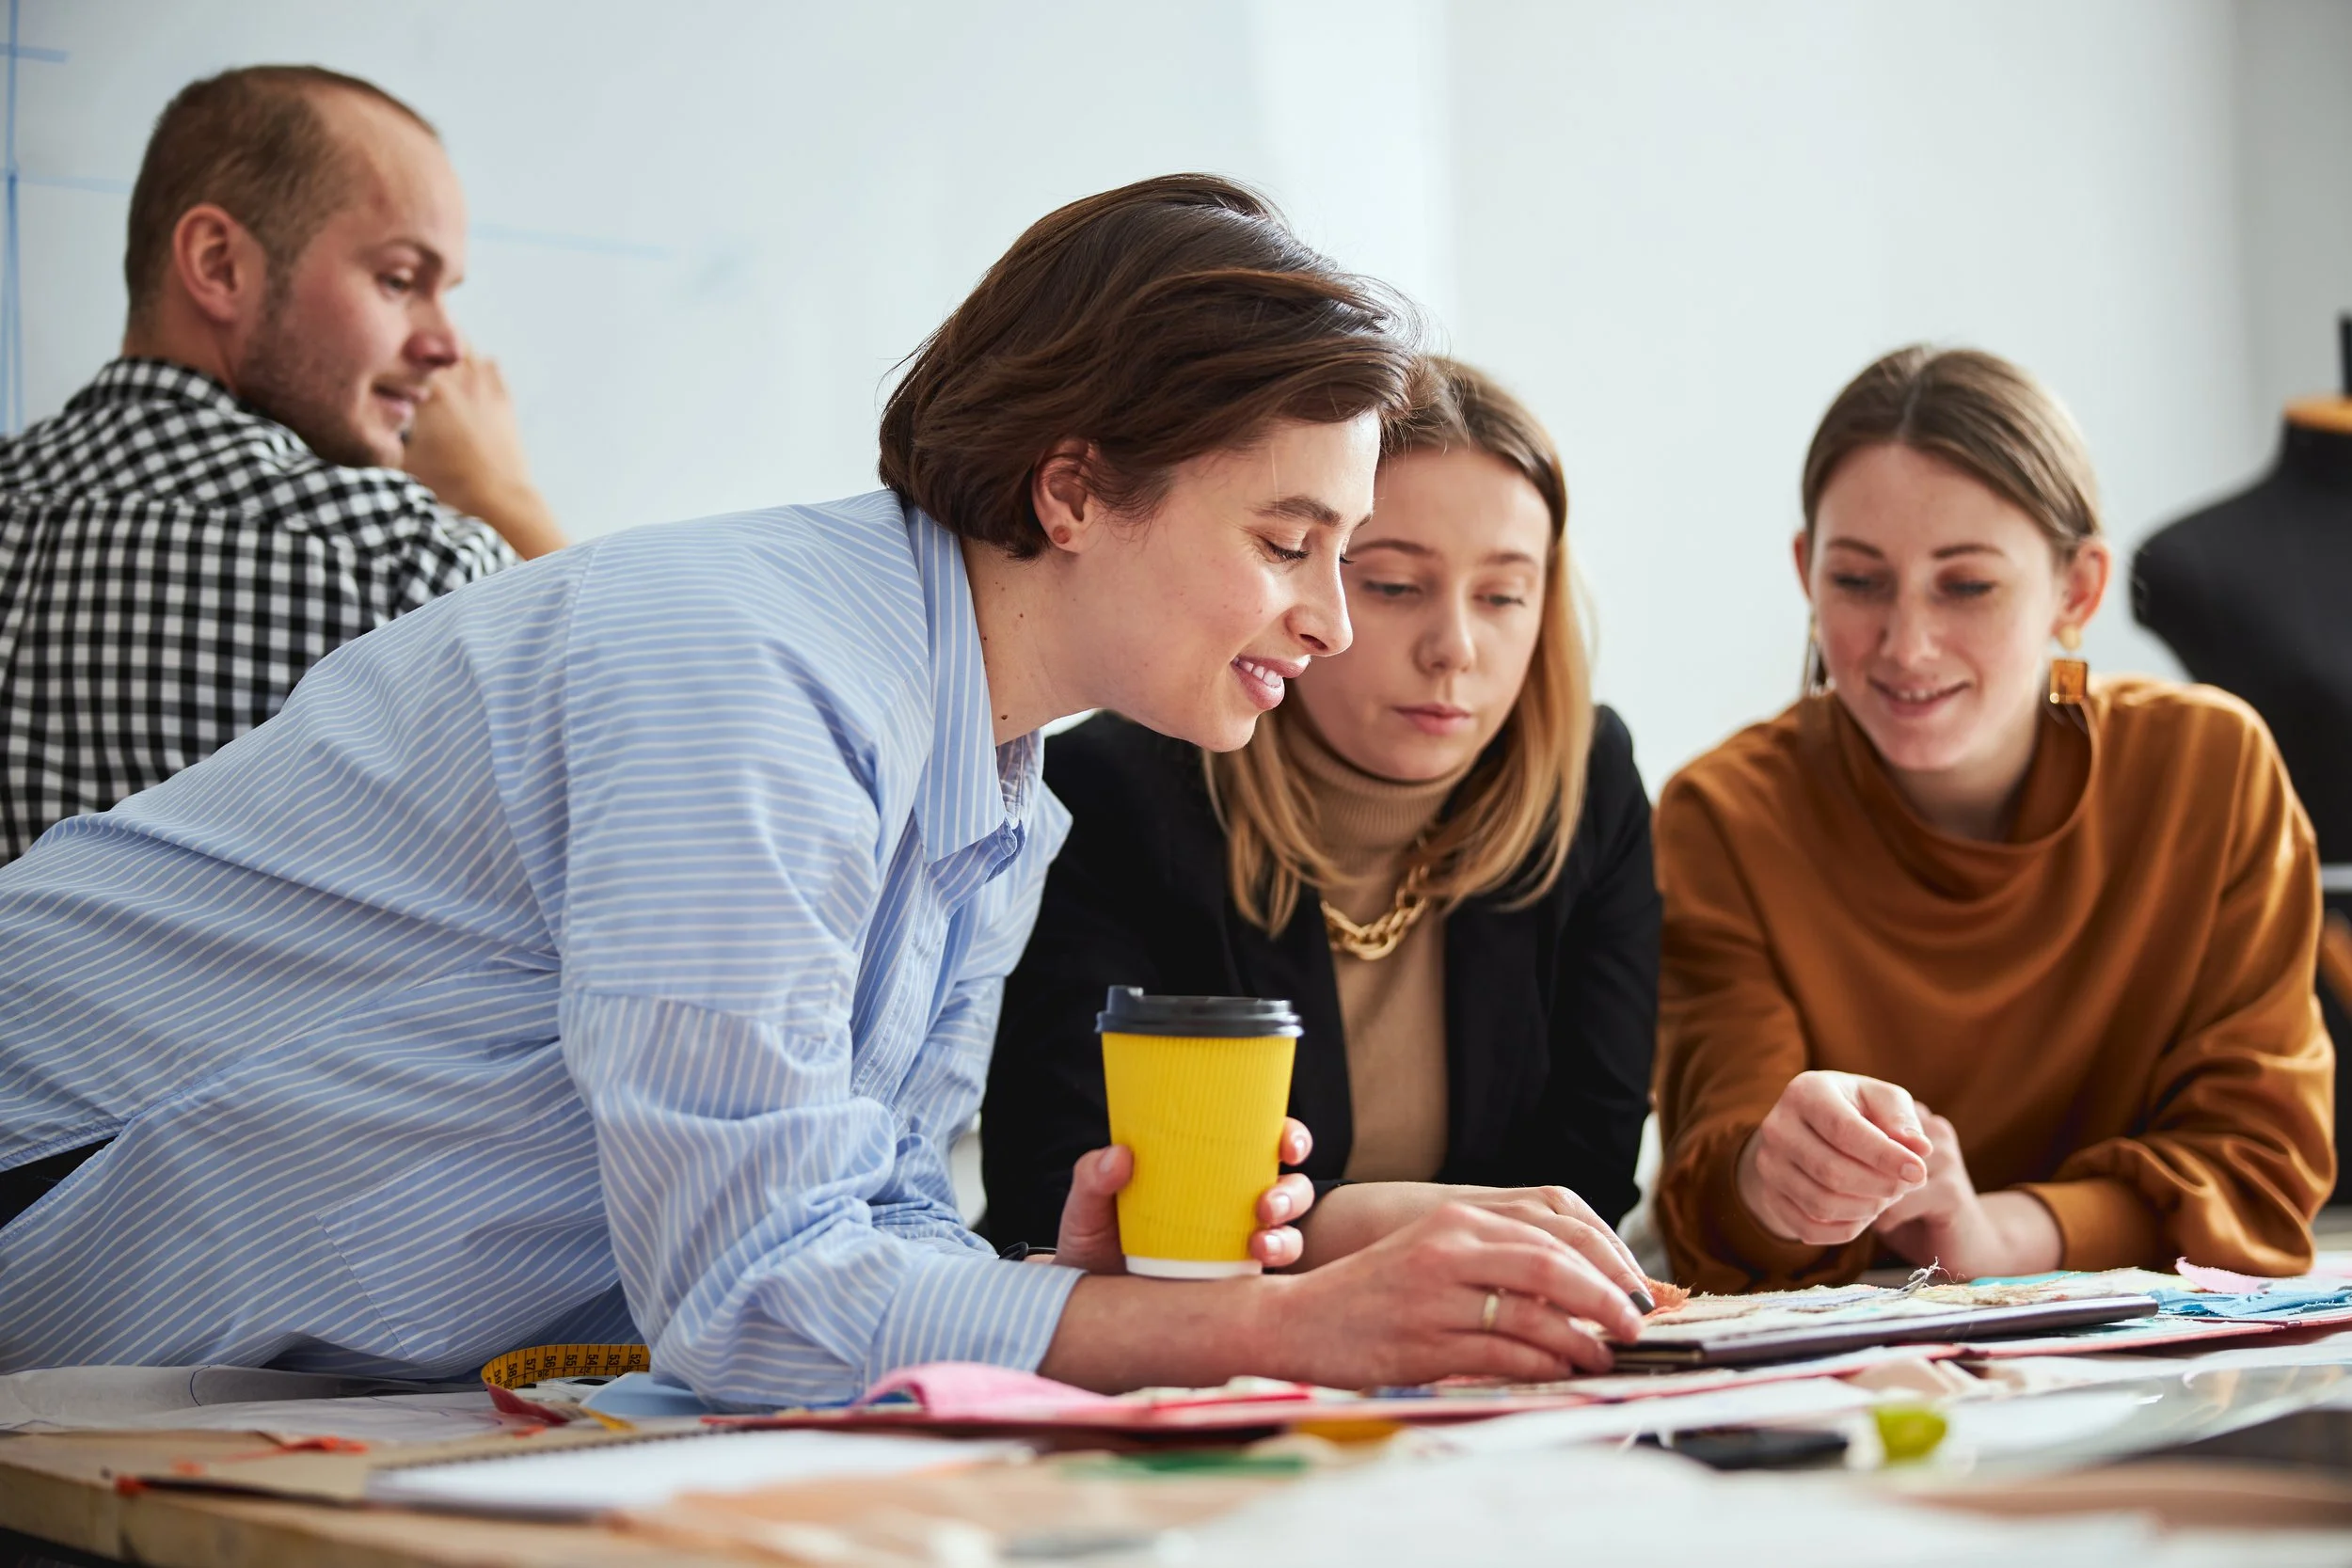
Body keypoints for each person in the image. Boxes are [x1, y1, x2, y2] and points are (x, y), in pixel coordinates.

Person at [0, 177, 1652, 1406]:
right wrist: (1268, 1328)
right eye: (1292, 543)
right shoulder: (751, 670)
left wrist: (1062, 1288)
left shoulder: (1003, 782)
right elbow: (749, 1291)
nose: (1333, 618)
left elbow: (834, 1234)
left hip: (222, 1381)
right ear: (1075, 487)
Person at [1653, 344, 2334, 1293]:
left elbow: (2261, 1169)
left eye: (1965, 585)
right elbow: (1708, 1205)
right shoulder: (1720, 816)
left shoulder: (2210, 771)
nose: (1906, 644)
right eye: (1858, 580)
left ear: (2077, 589)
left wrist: (2001, 1231)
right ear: (1807, 572)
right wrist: (1771, 1182)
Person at [983, 357, 1659, 1276]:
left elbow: (1585, 1183)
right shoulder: (1113, 791)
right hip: (1179, 1363)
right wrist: (1367, 1227)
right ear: (1308, 588)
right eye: (1391, 585)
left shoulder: (1589, 783)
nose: (1453, 648)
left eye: (1502, 595)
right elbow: (1054, 1197)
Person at [0, 64, 563, 862]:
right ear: (221, 265)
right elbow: (681, 781)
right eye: (400, 279)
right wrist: (501, 492)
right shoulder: (404, 568)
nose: (448, 347)